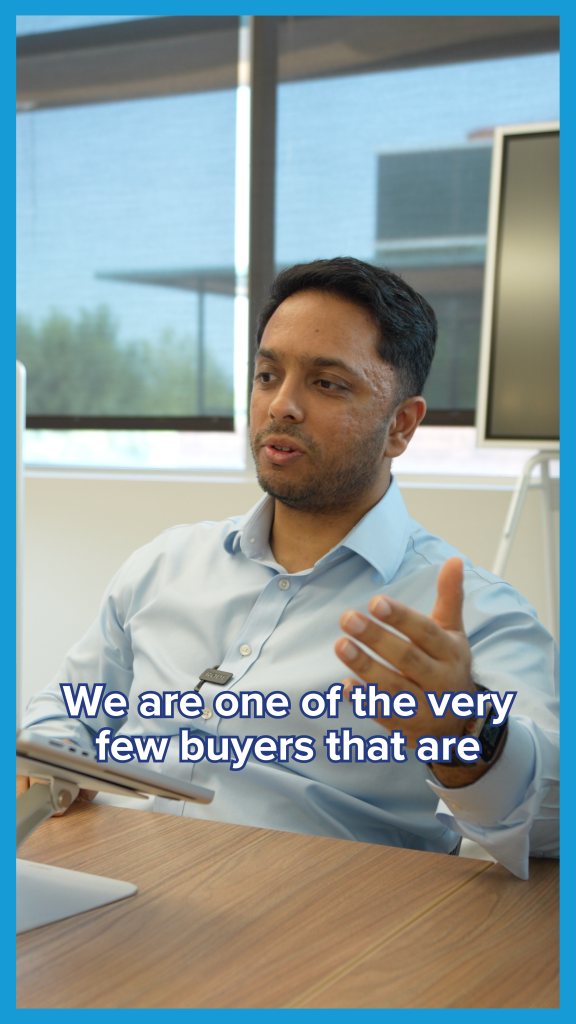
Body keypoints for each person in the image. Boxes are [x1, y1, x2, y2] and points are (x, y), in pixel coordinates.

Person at [21, 257, 559, 879]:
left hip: (317, 934)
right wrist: (49, 759)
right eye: (267, 374)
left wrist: (468, 733)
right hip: (114, 893)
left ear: (401, 427)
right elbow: (67, 714)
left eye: (328, 383)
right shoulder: (165, 565)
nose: (282, 406)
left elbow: (550, 829)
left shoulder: (477, 616)